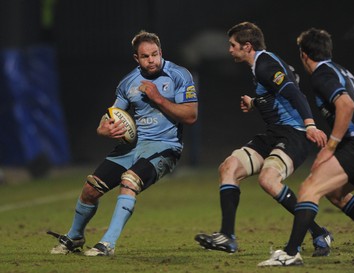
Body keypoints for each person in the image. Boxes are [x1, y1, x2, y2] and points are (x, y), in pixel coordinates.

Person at [258, 28, 354, 267]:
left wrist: (331, 146)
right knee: (336, 194)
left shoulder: (322, 74)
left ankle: (291, 253)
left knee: (309, 188)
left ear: (304, 55)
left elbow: (346, 106)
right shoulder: (338, 70)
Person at [48, 30, 198, 256]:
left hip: (164, 147)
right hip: (132, 147)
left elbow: (190, 116)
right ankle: (75, 237)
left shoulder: (179, 75)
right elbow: (113, 114)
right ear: (136, 59)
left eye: (155, 54)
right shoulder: (128, 82)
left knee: (129, 181)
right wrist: (103, 128)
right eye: (145, 56)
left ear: (161, 52)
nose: (151, 60)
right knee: (91, 188)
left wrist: (157, 98)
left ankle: (107, 244)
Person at [194, 22, 331, 257]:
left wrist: (310, 125)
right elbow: (282, 89)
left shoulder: (265, 65)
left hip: (295, 134)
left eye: (233, 45)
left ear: (247, 46)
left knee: (268, 180)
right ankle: (227, 236)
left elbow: (294, 93)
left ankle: (318, 232)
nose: (229, 50)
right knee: (229, 167)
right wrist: (255, 102)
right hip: (274, 133)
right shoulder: (263, 64)